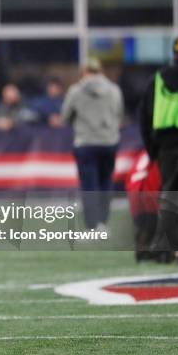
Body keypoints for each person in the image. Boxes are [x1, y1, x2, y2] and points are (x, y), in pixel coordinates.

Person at [140, 36, 178, 262]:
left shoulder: (156, 80)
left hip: (165, 149)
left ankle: (165, 250)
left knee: (169, 198)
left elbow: (144, 117)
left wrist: (152, 150)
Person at [61, 57, 124, 231]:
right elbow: (119, 114)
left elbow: (65, 116)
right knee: (105, 183)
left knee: (89, 185)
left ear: (84, 72)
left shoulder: (75, 91)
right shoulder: (114, 90)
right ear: (101, 71)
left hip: (86, 142)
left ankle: (92, 225)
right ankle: (103, 222)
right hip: (109, 141)